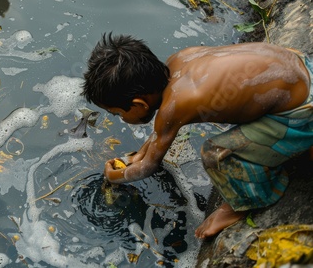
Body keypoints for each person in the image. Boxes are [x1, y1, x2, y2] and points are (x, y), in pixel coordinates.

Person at [82, 33, 313, 239]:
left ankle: (241, 206)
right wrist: (137, 156)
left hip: (303, 113)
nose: (120, 118)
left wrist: (114, 176)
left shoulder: (176, 107)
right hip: (302, 69)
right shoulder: (177, 61)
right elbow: (160, 134)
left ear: (139, 104)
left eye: (117, 114)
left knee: (215, 154)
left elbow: (149, 167)